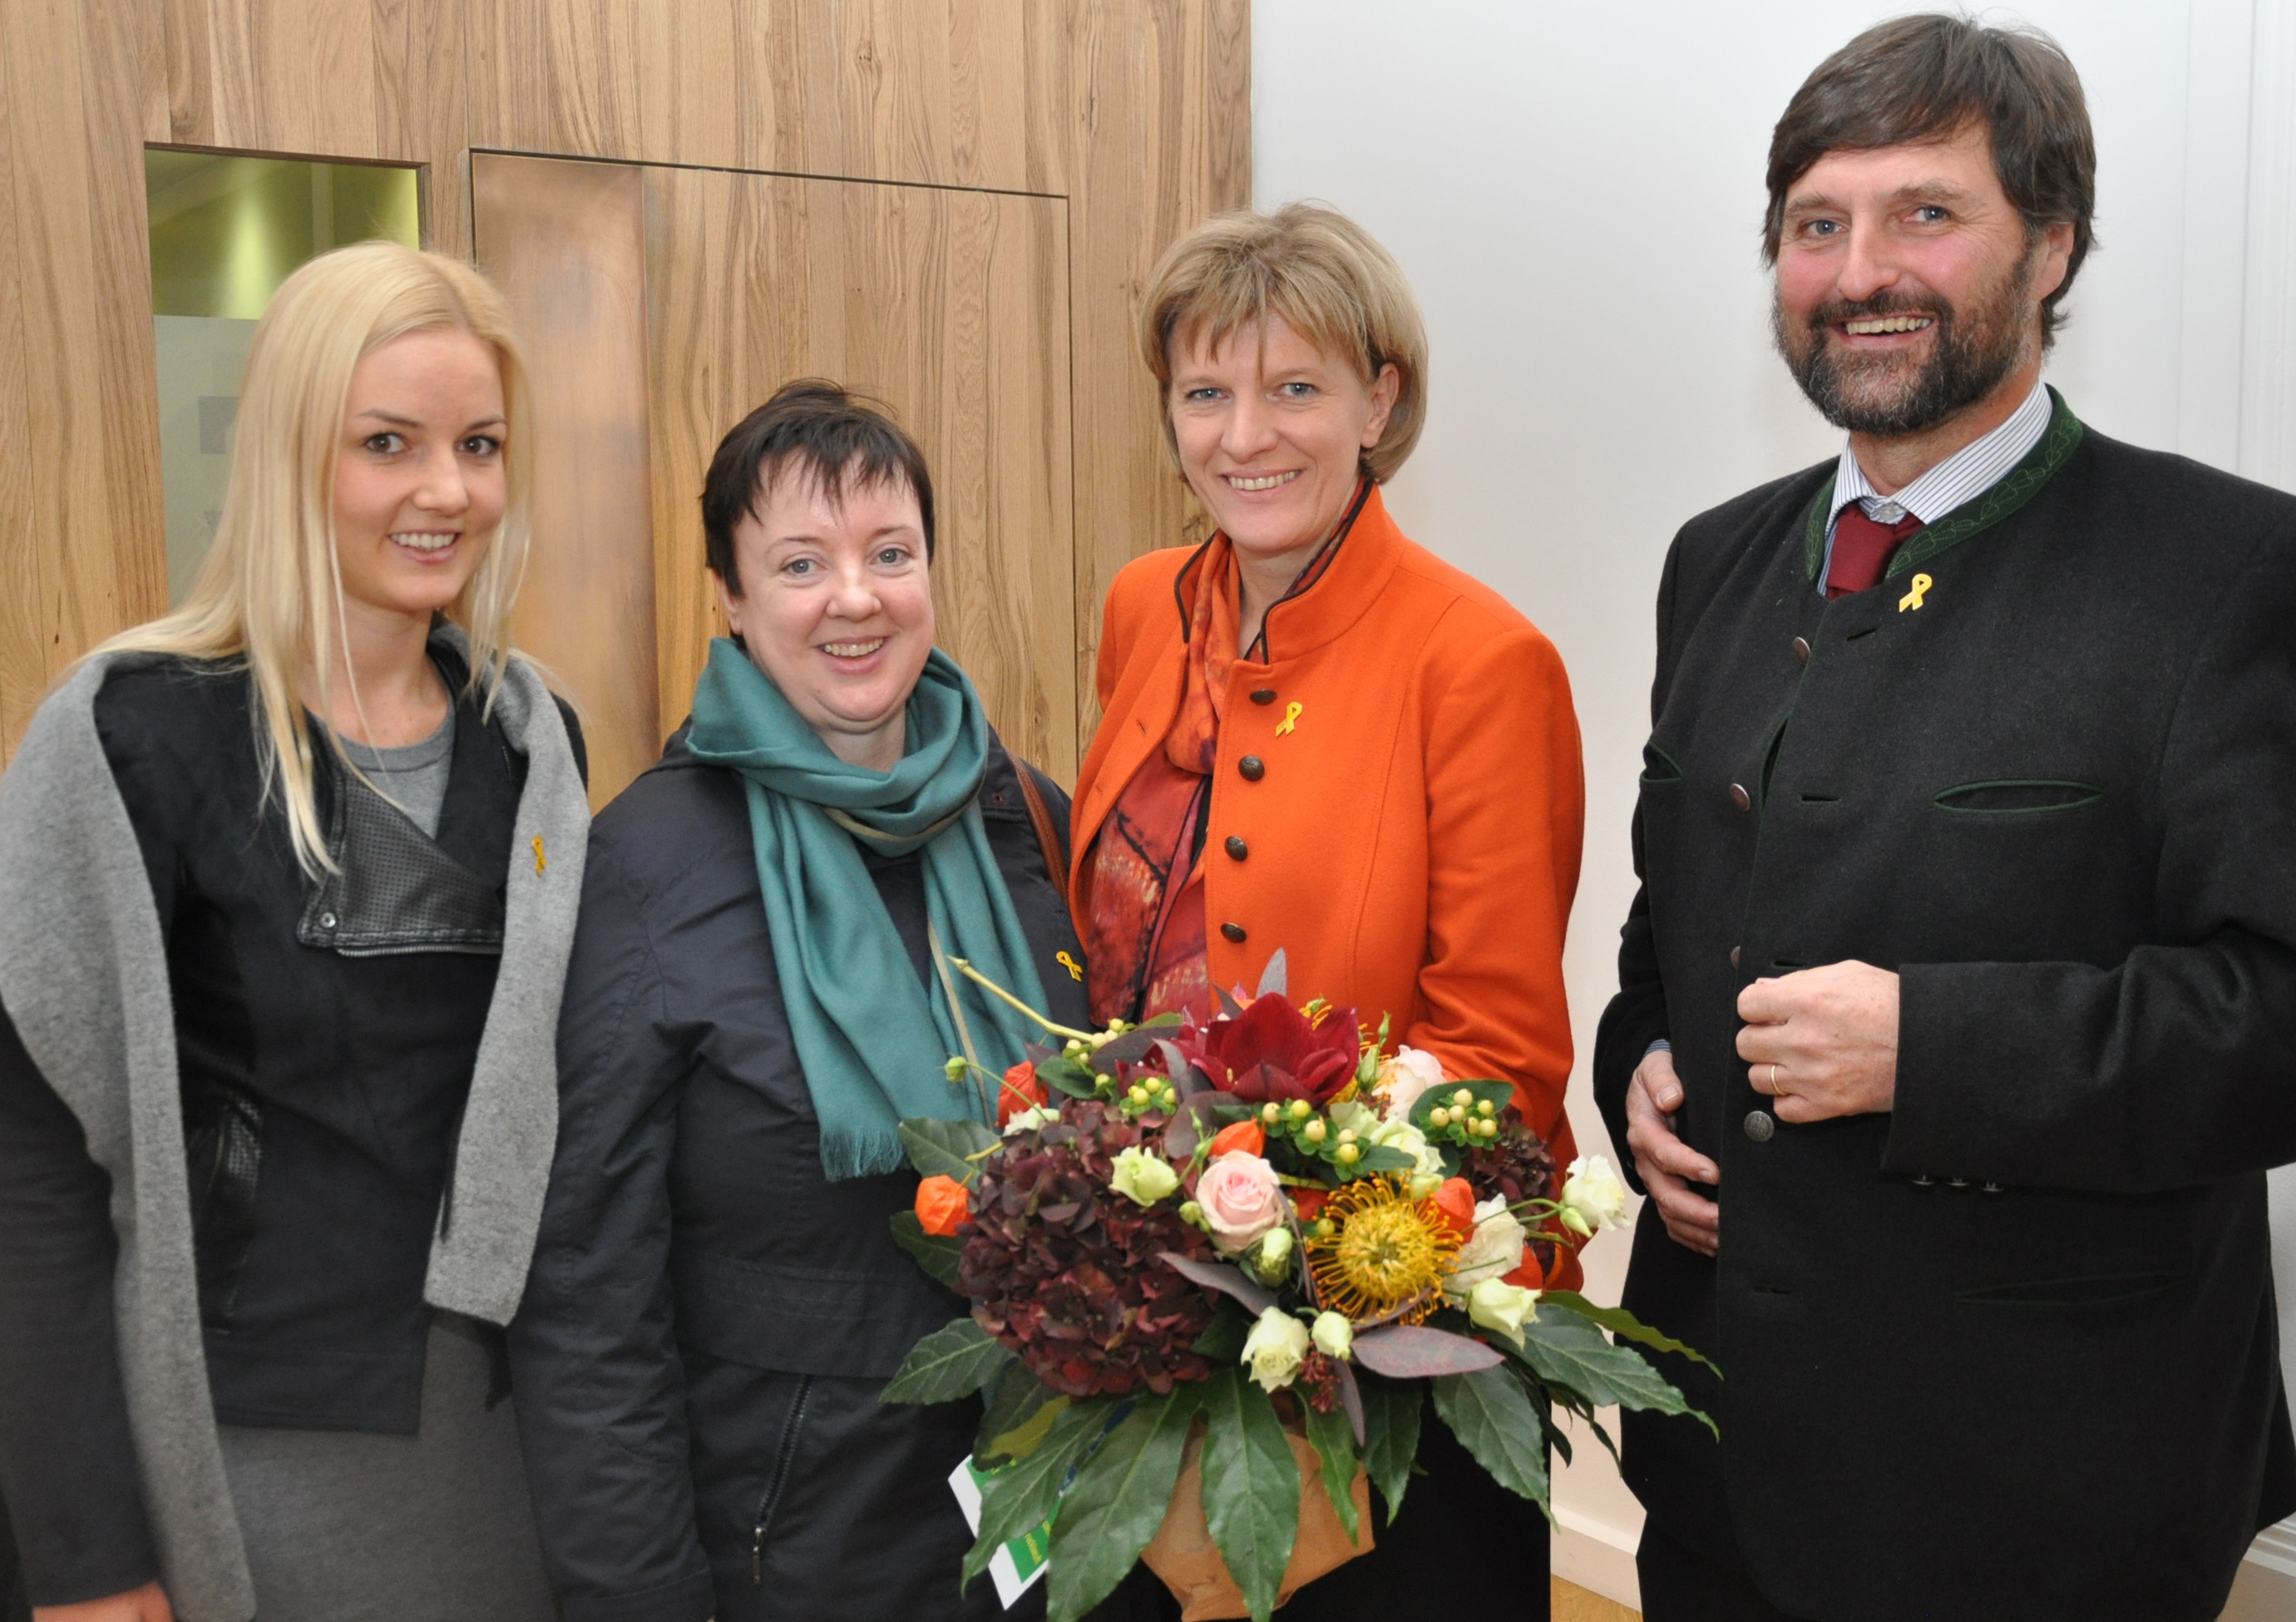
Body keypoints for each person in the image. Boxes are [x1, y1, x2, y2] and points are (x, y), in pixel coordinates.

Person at [1594, 15, 2296, 1620]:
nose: (1858, 272)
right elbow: (1669, 919)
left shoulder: (2227, 575)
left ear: (2049, 246)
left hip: (2049, 1488)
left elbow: (2277, 1010)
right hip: (1715, 1446)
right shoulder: (1715, 557)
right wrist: (1635, 1056)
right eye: (1813, 225)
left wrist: (1932, 1050)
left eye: (1924, 213)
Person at [0, 241, 590, 1622]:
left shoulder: (535, 738)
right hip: (246, 1461)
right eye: (387, 443)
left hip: (515, 1446)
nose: (446, 490)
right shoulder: (132, 732)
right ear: (289, 455)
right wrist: (87, 1560)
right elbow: (27, 1181)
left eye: (479, 444)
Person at [1070, 204, 1586, 1618]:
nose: (1247, 434)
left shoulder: (1479, 661)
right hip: (1152, 1302)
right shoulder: (1139, 604)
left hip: (1388, 1339)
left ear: (1380, 397)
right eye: (1206, 392)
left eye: (1294, 386)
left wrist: (1298, 1270)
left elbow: (1499, 1062)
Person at [508, 381, 1094, 1622]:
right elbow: (587, 1287)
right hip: (790, 1533)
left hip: (1052, 1502)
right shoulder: (647, 864)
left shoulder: (1028, 816)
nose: (855, 596)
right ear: (729, 595)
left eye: (890, 552)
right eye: (799, 561)